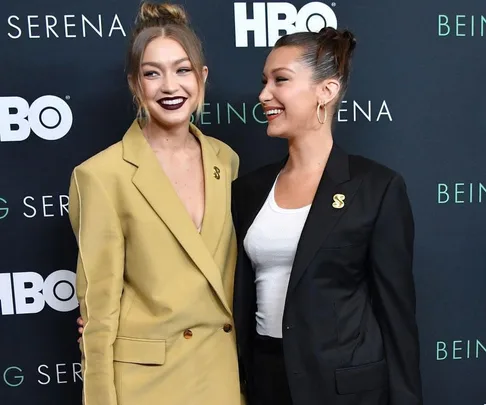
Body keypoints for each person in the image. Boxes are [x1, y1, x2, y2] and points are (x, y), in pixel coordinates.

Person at [231, 28, 423, 405]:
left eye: (280, 80)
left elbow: (397, 318)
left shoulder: (376, 187)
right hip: (266, 380)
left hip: (344, 390)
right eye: (264, 81)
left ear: (327, 91)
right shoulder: (248, 190)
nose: (264, 94)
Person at [69, 2, 242, 405]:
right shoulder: (101, 175)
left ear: (202, 78)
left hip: (222, 373)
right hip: (146, 384)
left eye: (182, 70)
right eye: (152, 73)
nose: (170, 87)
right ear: (135, 84)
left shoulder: (226, 160)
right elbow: (98, 313)